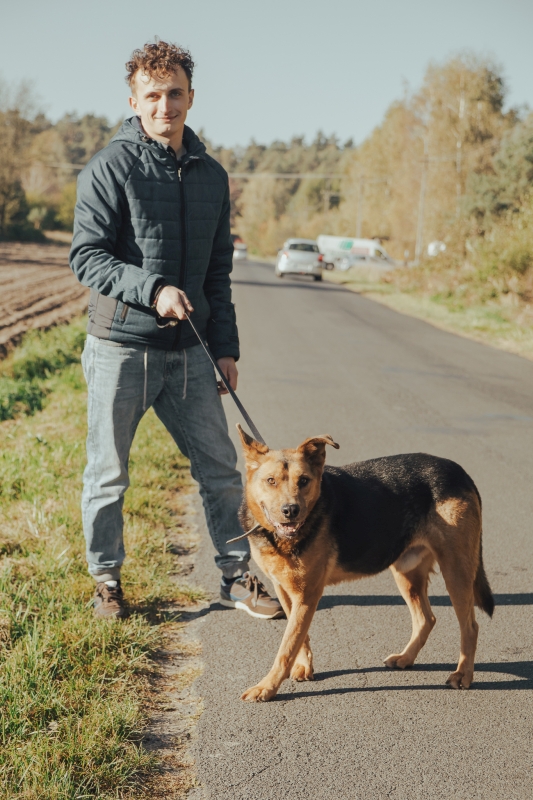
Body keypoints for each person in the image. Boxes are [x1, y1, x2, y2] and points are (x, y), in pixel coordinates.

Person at [69, 40, 283, 621]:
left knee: (221, 468)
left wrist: (227, 348)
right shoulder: (110, 167)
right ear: (133, 101)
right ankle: (106, 583)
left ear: (192, 97)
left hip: (190, 350)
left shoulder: (213, 176)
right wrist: (153, 289)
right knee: (108, 474)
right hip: (121, 348)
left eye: (175, 94)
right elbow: (87, 257)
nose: (165, 105)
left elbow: (218, 274)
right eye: (153, 95)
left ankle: (238, 577)